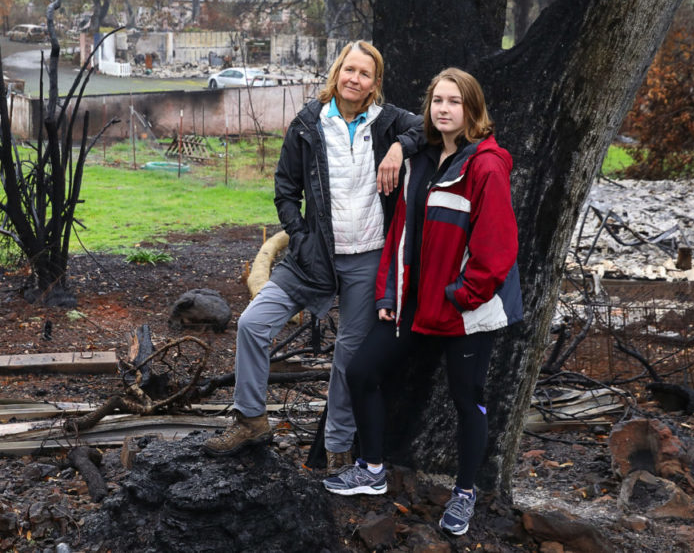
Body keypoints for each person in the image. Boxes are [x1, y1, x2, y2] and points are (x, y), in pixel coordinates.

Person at [203, 41, 424, 471]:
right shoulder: (308, 123)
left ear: (375, 83)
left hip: (367, 258)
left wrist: (400, 147)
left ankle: (338, 447)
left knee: (348, 355)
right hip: (312, 257)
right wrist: (302, 238)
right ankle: (251, 419)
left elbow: (429, 126)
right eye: (349, 70)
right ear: (337, 72)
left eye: (365, 74)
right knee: (253, 323)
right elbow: (285, 189)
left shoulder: (388, 122)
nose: (354, 79)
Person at [323, 67, 522, 538]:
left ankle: (466, 493)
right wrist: (391, 293)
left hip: (466, 310)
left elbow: (497, 252)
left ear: (472, 109)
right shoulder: (423, 157)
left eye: (454, 102)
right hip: (415, 302)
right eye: (437, 101)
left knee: (467, 398)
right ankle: (371, 470)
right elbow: (401, 234)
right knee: (361, 371)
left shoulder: (486, 165)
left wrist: (460, 298)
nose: (444, 109)